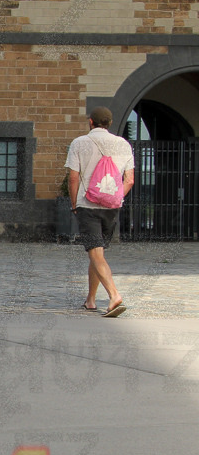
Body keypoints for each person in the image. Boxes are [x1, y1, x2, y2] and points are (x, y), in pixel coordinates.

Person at [65, 106, 135, 318]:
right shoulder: (123, 144)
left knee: (95, 252)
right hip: (112, 207)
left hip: (88, 205)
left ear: (90, 122)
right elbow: (129, 179)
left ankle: (114, 295)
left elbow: (73, 178)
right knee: (98, 254)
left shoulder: (79, 143)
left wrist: (75, 203)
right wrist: (116, 197)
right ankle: (91, 300)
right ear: (109, 123)